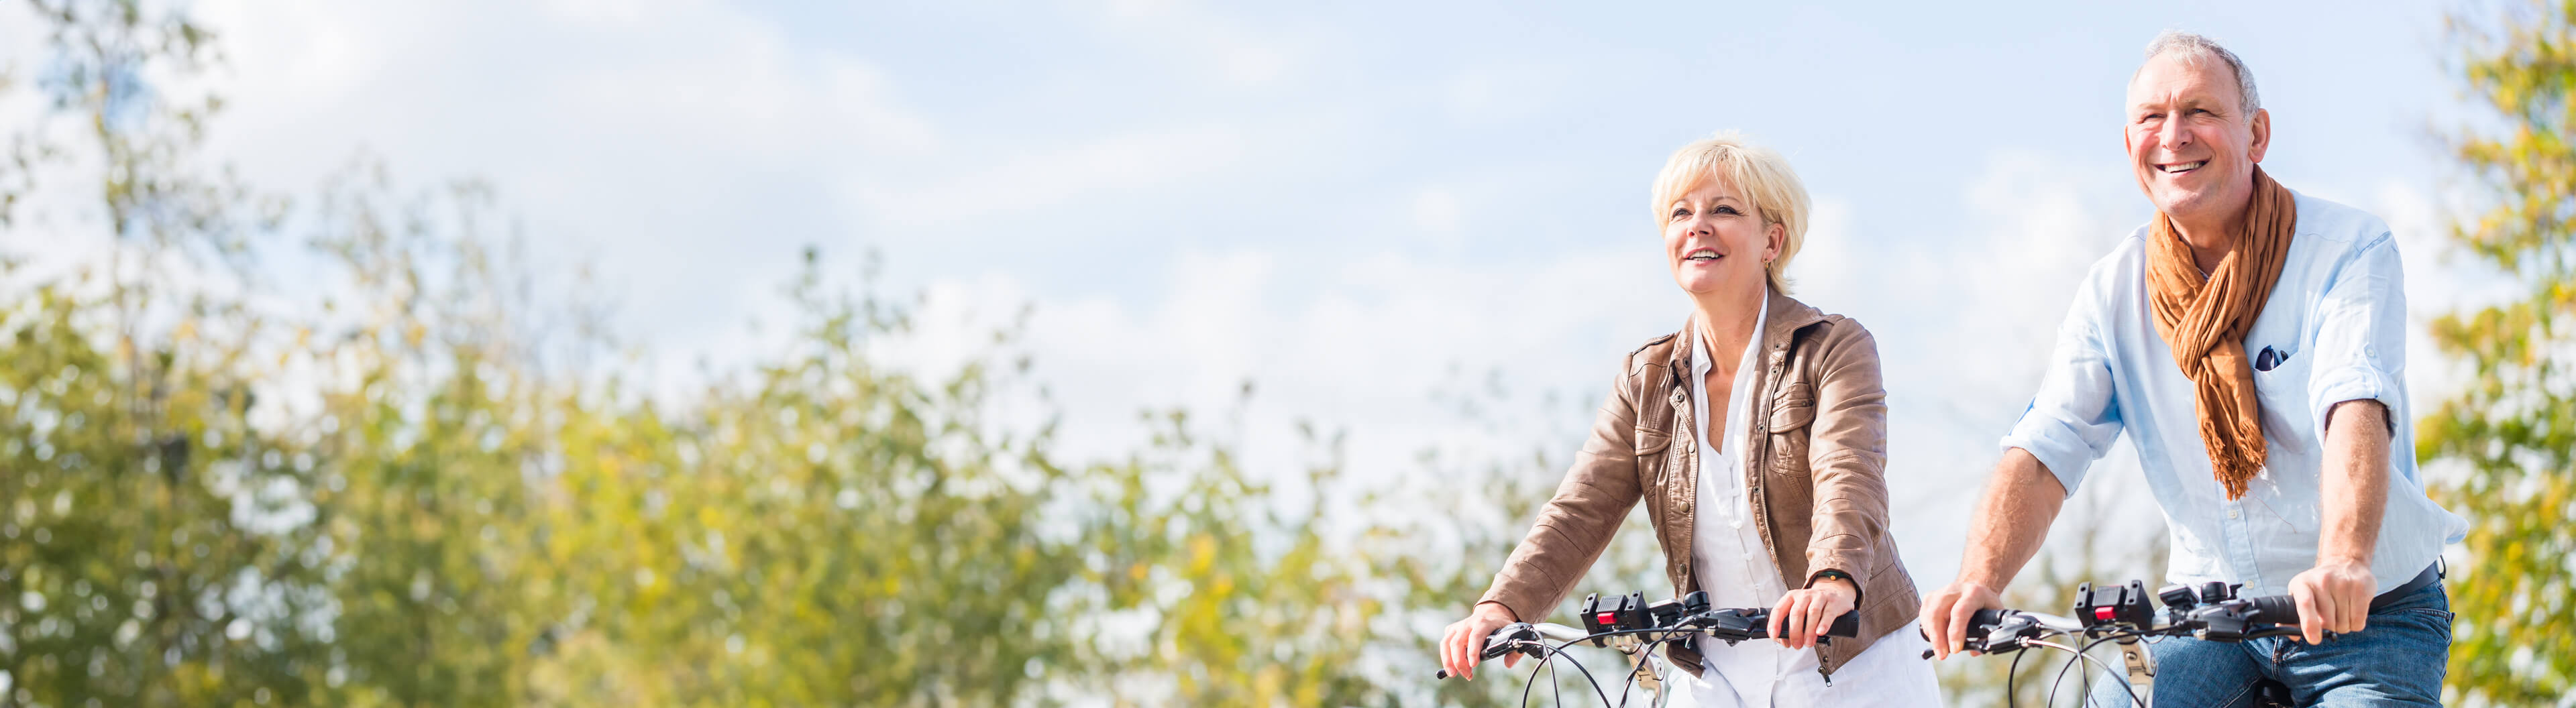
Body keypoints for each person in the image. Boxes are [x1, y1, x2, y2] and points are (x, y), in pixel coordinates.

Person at [1918, 31, 2468, 706]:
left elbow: (2352, 402)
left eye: (2199, 112)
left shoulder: (2347, 251)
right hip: (2209, 619)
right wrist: (1981, 579)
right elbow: (2047, 444)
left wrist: (2344, 562)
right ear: (2131, 147)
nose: (2173, 135)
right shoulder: (2112, 290)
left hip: (2366, 614)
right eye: (2152, 117)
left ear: (2257, 135)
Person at [1438, 132, 1942, 706]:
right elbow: (1579, 509)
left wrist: (1832, 578)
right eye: (1682, 213)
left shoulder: (1831, 348)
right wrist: (1501, 607)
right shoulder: (1645, 378)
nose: (1697, 226)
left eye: (1724, 210)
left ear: (1772, 241)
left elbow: (1848, 474)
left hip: (1855, 661)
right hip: (1716, 675)